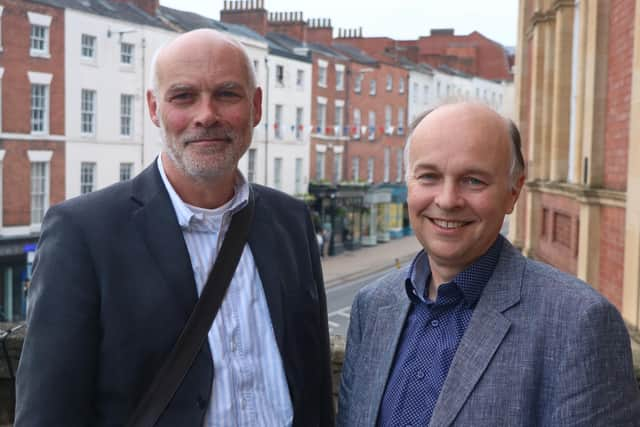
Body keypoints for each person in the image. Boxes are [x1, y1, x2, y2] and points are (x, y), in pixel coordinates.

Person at [16, 29, 334, 427]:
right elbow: (49, 413)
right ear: (154, 108)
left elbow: (316, 387)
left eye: (227, 94)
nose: (206, 114)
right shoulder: (83, 233)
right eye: (184, 96)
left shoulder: (292, 221)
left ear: (255, 106)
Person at [337, 103, 640, 426]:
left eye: (473, 181)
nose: (448, 200)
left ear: (513, 192)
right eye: (429, 176)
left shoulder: (578, 323)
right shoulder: (372, 306)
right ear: (409, 184)